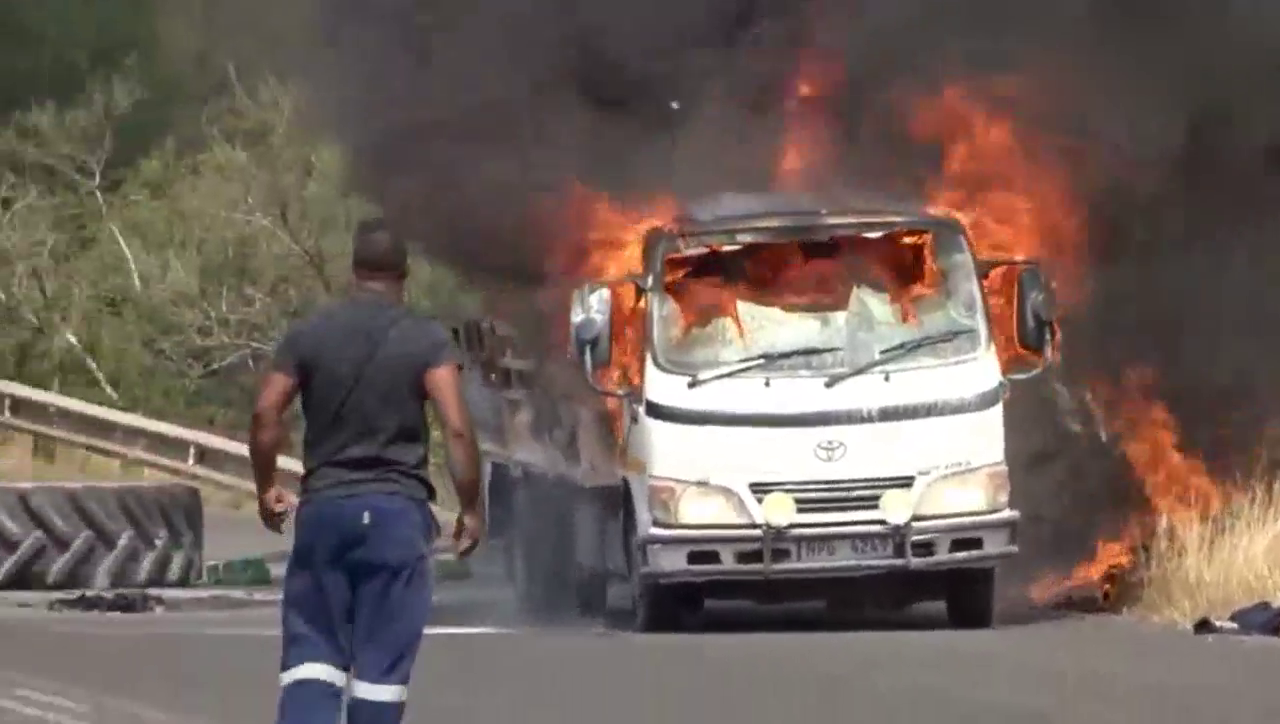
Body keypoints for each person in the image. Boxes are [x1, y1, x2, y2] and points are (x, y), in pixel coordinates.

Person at [249, 217, 484, 724]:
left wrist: (266, 486)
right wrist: (470, 507)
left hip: (326, 513)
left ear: (353, 269)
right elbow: (457, 430)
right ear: (405, 273)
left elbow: (266, 412)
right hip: (397, 520)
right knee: (380, 676)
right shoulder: (427, 341)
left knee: (311, 663)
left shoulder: (309, 334)